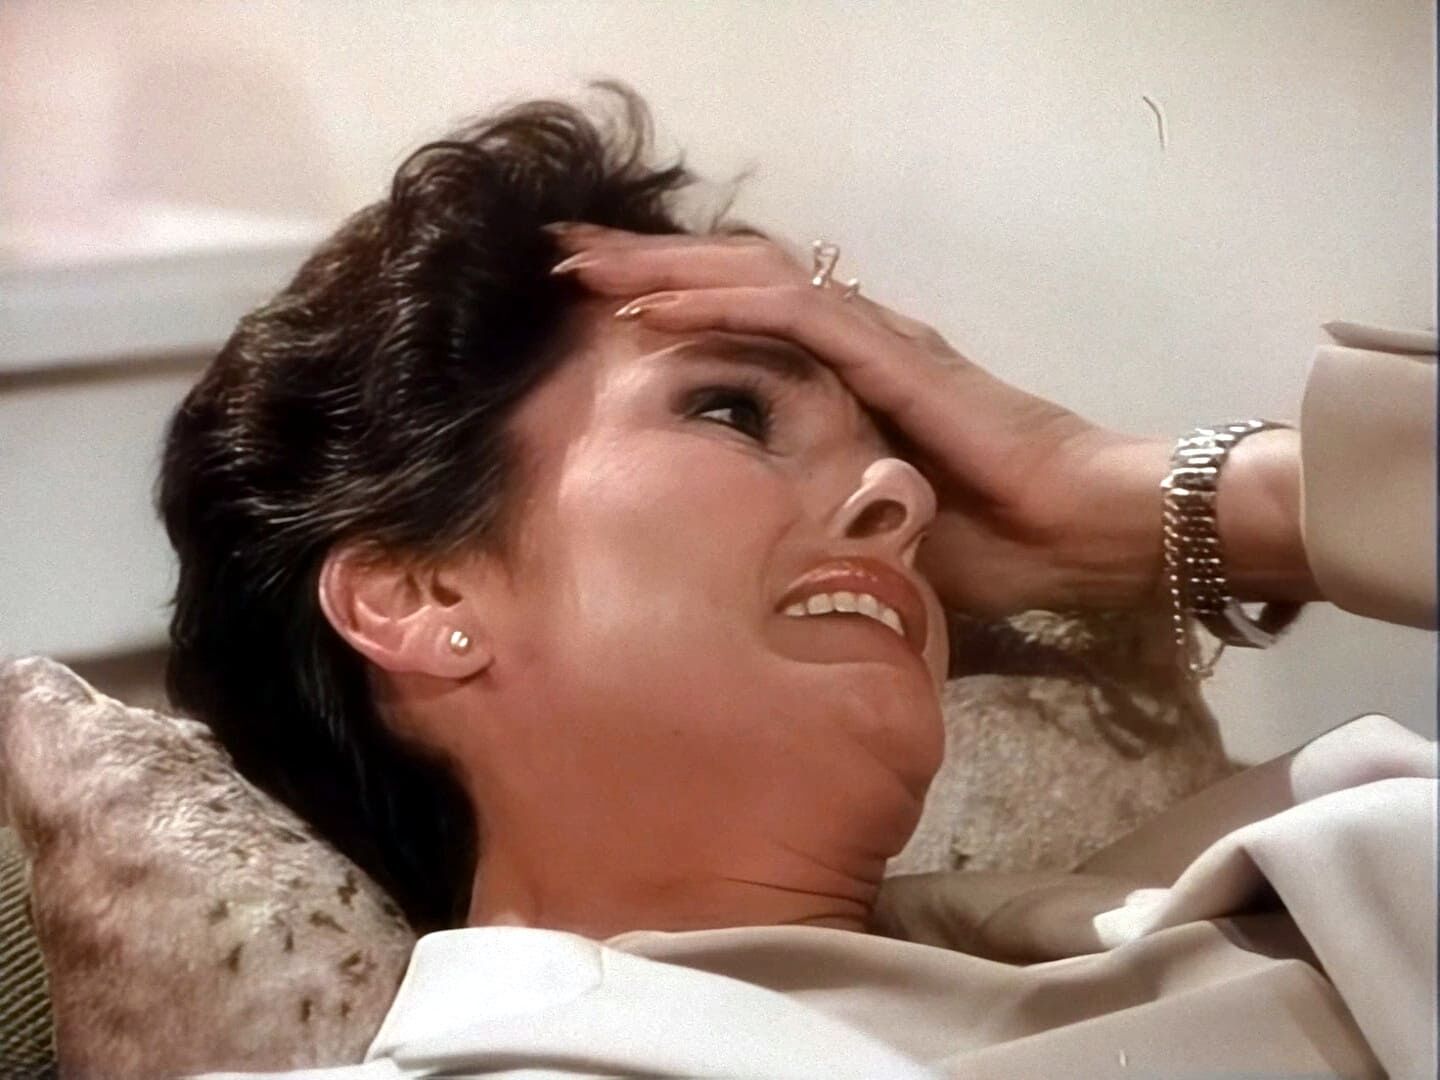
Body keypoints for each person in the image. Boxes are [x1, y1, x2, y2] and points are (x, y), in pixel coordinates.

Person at [166, 88, 1436, 1078]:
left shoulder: (1279, 886)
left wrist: (1125, 495)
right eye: (731, 410)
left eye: (898, 461)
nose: (904, 499)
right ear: (422, 596)